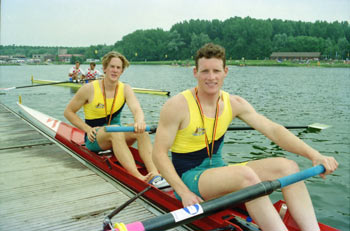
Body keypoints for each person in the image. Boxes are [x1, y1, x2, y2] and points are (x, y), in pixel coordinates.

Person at [152, 43, 338, 230]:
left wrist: (314, 155)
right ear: (195, 72)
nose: (211, 77)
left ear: (225, 71)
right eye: (205, 71)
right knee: (246, 177)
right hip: (189, 177)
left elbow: (274, 130)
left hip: (218, 172)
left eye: (216, 70)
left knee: (288, 167)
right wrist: (183, 192)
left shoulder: (234, 103)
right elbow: (159, 154)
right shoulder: (177, 105)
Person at [64, 51, 166, 185]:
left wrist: (140, 122)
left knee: (141, 132)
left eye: (118, 68)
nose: (115, 70)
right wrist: (87, 129)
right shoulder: (88, 89)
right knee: (115, 130)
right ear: (105, 68)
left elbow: (136, 109)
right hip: (95, 138)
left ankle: (155, 175)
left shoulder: (125, 89)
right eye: (112, 66)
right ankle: (138, 177)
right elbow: (68, 112)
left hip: (116, 133)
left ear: (122, 71)